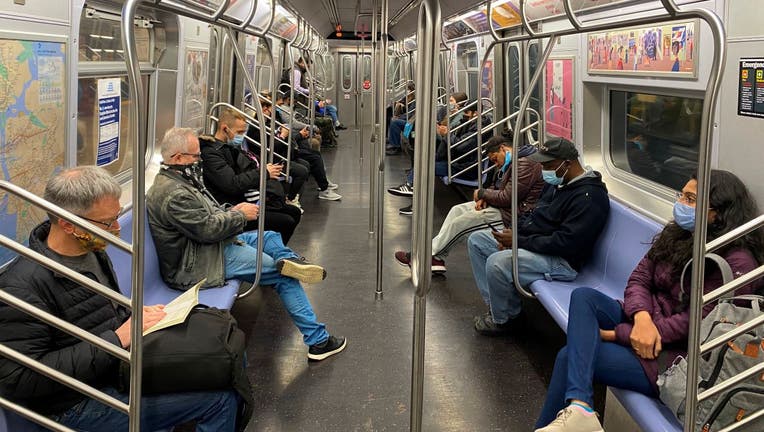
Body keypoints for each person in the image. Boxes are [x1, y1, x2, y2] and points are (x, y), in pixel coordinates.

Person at [0, 166, 239, 431]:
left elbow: (107, 313)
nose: (115, 229)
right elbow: (18, 378)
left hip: (113, 367)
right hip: (73, 402)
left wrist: (139, 317)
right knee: (221, 399)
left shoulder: (91, 250)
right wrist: (117, 339)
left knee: (224, 359)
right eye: (107, 222)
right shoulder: (21, 286)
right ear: (68, 224)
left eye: (116, 219)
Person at [534, 170, 764, 432]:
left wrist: (618, 334)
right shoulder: (678, 235)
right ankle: (581, 409)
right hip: (644, 323)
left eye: (690, 200)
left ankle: (579, 412)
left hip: (674, 357)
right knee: (584, 297)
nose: (681, 204)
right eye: (682, 195)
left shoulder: (737, 263)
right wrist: (642, 318)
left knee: (568, 357)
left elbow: (701, 322)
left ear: (718, 213)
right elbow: (639, 279)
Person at [147, 127, 347, 360]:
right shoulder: (174, 194)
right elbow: (208, 230)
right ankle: (318, 342)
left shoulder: (180, 180)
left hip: (206, 248)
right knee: (284, 276)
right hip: (198, 263)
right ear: (178, 158)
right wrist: (240, 215)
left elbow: (206, 217)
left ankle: (289, 260)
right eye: (196, 156)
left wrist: (231, 211)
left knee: (269, 236)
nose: (200, 160)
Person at [468, 137, 611, 335]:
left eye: (547, 165)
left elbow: (566, 243)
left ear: (567, 163)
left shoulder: (590, 198)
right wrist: (515, 233)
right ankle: (499, 307)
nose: (544, 170)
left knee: (497, 263)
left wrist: (518, 242)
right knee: (477, 241)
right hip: (540, 246)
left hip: (563, 261)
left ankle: (506, 320)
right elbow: (537, 215)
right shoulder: (559, 184)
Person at [393, 134, 544, 273]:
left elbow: (508, 197)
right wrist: (485, 197)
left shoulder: (524, 164)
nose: (496, 164)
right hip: (502, 206)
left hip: (512, 213)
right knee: (456, 210)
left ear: (503, 149)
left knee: (461, 223)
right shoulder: (513, 162)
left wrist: (483, 193)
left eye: (495, 159)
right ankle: (436, 257)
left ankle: (423, 257)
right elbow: (498, 187)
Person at [200, 108, 302, 243]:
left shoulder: (230, 148)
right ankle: (273, 254)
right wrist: (264, 173)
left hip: (243, 197)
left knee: (294, 212)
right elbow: (232, 184)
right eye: (239, 132)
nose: (241, 136)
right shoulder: (211, 154)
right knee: (286, 221)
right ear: (225, 129)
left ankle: (276, 251)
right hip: (231, 206)